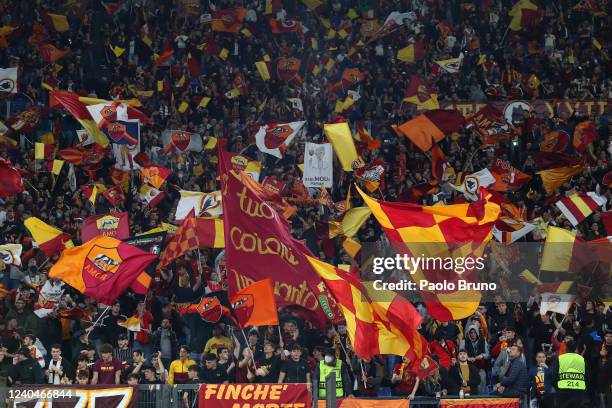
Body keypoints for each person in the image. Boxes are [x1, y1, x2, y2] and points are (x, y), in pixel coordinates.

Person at [554, 340, 587, 408]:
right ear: (575, 349)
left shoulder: (560, 358)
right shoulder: (582, 359)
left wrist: (556, 387)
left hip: (563, 390)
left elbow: (554, 375)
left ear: (566, 348)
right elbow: (587, 376)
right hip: (579, 390)